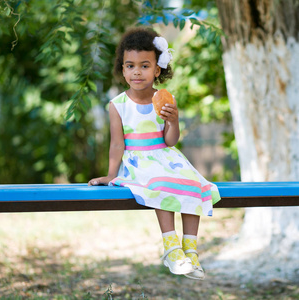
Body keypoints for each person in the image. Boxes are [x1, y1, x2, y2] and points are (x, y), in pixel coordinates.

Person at [88, 27, 221, 280]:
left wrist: (173, 121)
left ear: (157, 70)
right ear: (123, 69)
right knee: (161, 183)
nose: (137, 71)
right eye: (130, 65)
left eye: (144, 65)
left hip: (165, 157)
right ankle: (172, 250)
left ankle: (190, 251)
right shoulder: (118, 105)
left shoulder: (164, 99)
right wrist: (110, 174)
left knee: (193, 183)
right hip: (138, 162)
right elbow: (117, 144)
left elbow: (170, 141)